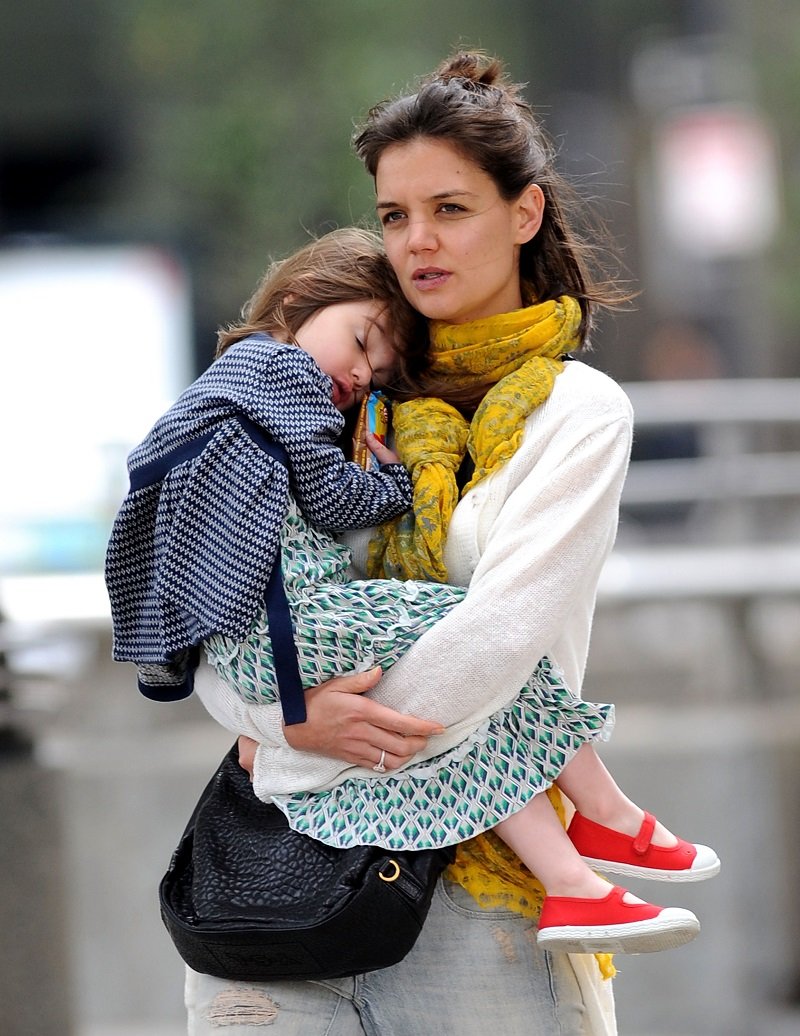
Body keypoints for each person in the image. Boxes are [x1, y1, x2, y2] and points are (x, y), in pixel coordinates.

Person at [185, 52, 718, 1035]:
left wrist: (300, 744)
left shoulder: (574, 413)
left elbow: (498, 636)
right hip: (279, 899)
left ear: (523, 213)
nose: (416, 241)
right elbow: (219, 609)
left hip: (485, 910)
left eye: (449, 209)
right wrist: (278, 715)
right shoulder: (331, 391)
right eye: (393, 216)